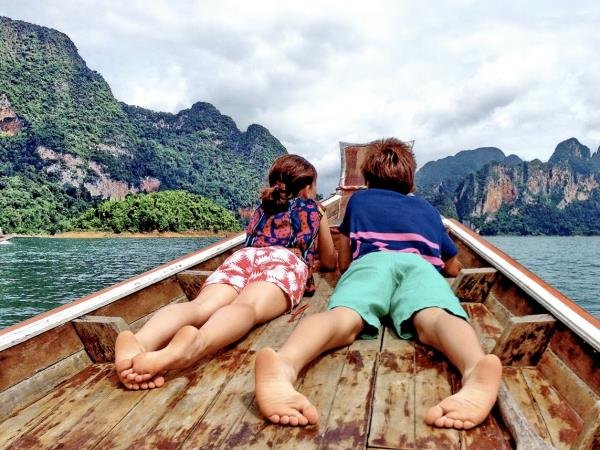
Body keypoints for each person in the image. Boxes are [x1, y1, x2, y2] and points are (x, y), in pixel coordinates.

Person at [255, 138, 502, 429]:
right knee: (436, 316)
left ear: (368, 179)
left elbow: (344, 259)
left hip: (371, 263)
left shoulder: (358, 201)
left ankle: (284, 364)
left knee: (343, 317)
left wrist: (351, 273)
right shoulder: (427, 209)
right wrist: (449, 267)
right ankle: (474, 367)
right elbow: (451, 265)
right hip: (418, 266)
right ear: (410, 181)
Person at [115, 154, 336, 390]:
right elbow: (330, 261)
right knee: (247, 306)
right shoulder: (315, 209)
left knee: (200, 306)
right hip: (284, 259)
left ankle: (139, 340)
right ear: (307, 187)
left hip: (244, 257)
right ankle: (198, 343)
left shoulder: (263, 208)